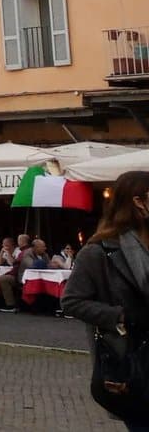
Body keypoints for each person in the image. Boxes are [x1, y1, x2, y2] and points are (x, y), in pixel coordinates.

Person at [62, 170, 149, 428]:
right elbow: (72, 301)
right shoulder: (98, 252)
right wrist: (123, 316)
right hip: (134, 362)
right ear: (138, 201)